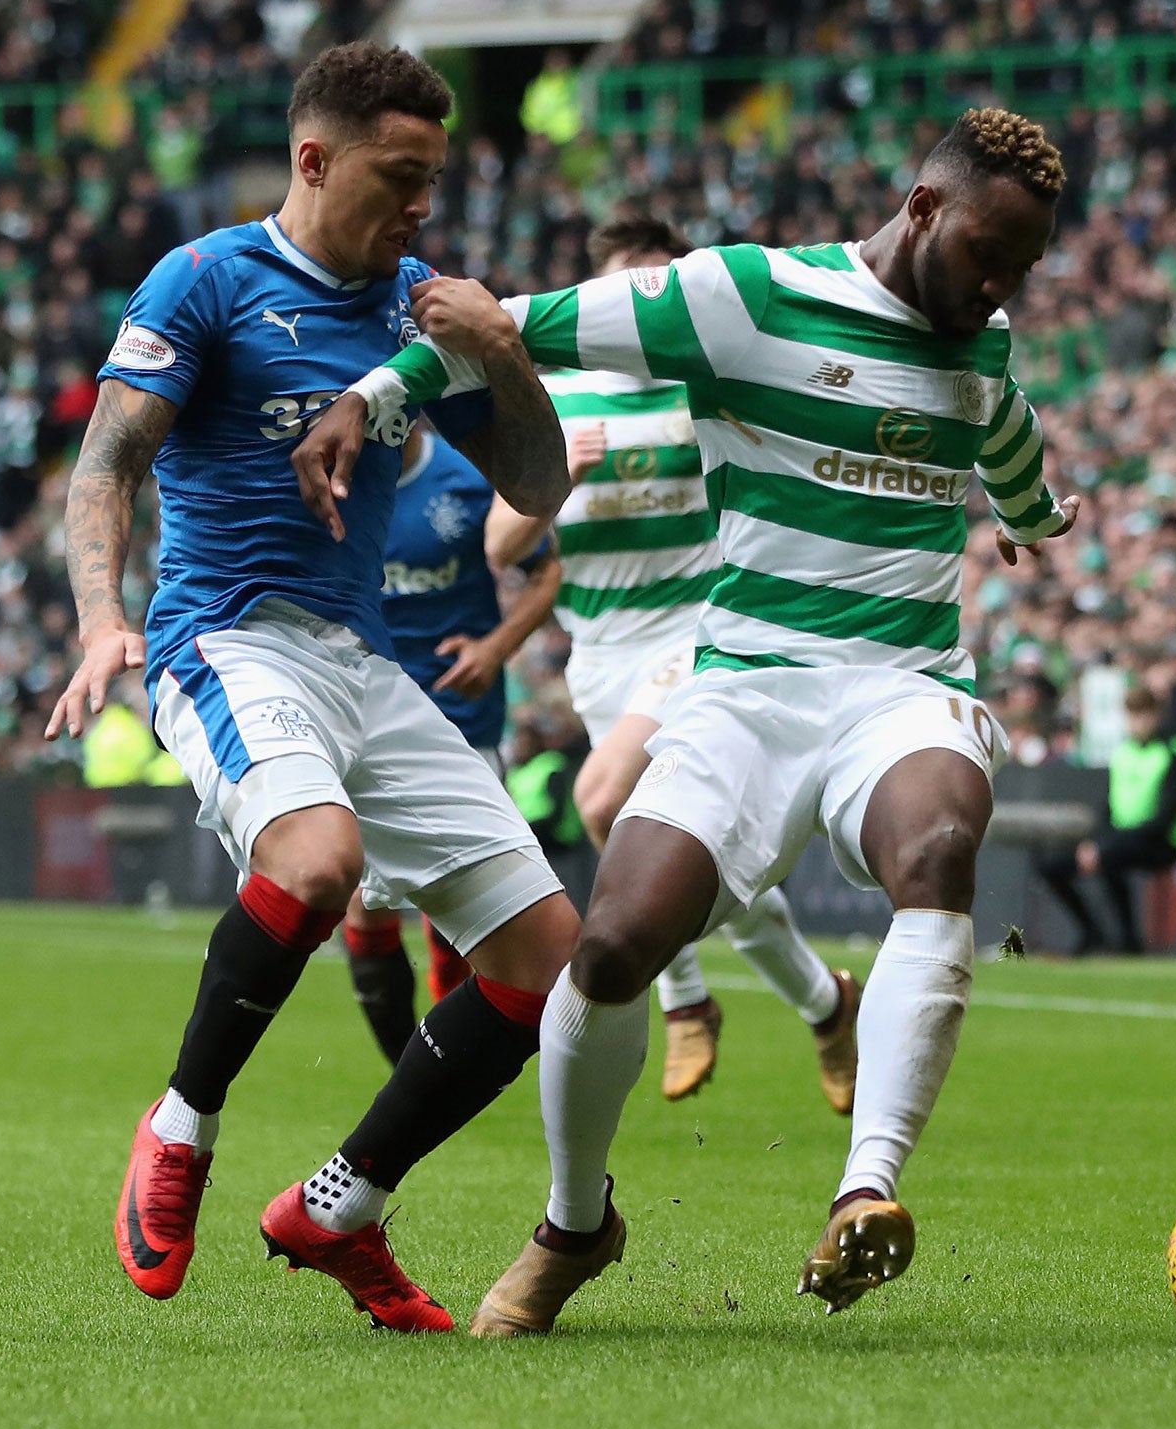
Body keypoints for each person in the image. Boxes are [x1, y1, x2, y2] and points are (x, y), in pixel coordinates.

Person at [314, 107, 1082, 1332]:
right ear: (922, 208)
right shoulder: (745, 299)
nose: (998, 286)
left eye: (1021, 268)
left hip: (902, 687)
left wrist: (1038, 516)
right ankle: (576, 1223)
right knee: (611, 947)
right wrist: (380, 391)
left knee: (936, 849)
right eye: (987, 251)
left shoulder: (979, 346)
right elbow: (504, 328)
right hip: (745, 692)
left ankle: (862, 1194)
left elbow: (1009, 449)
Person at [42, 42, 576, 1333]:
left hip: (360, 662)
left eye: (435, 178)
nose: (421, 205)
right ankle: (180, 1126)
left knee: (546, 956)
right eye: (400, 175)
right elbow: (108, 464)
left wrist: (497, 353)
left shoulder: (416, 308)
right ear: (313, 158)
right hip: (227, 639)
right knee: (319, 861)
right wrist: (103, 618)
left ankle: (340, 1207)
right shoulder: (207, 280)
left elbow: (542, 490)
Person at [483, 216, 861, 1110]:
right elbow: (501, 546)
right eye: (631, 292)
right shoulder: (556, 396)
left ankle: (686, 997)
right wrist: (551, 483)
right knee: (686, 854)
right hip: (602, 658)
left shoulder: (713, 384)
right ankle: (825, 999)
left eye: (667, 290)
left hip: (700, 634)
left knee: (603, 799)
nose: (651, 312)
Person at [343, 415, 564, 1061]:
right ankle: (403, 1069)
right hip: (362, 722)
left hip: (460, 722)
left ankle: (448, 1058)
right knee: (366, 905)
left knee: (460, 904)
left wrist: (496, 649)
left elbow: (546, 571)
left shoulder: (466, 479)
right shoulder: (334, 479)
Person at [1035, 685, 1176, 954]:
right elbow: (1109, 809)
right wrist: (1094, 843)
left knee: (1109, 857)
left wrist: (1102, 847)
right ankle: (1092, 932)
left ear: (1158, 715)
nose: (1140, 723)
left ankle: (1128, 942)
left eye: (1145, 714)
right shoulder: (1124, 753)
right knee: (1051, 863)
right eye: (1134, 715)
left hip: (1165, 842)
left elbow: (1164, 819)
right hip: (1122, 838)